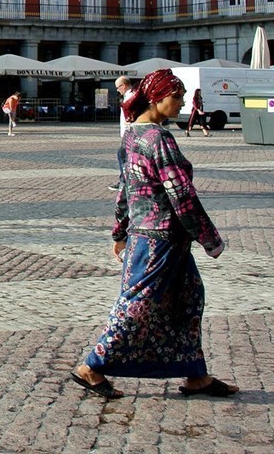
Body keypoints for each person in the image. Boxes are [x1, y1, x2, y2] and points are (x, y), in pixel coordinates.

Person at [71, 69, 236, 401]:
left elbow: (124, 190)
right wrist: (210, 239)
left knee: (188, 300)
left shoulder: (132, 135)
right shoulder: (158, 139)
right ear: (158, 98)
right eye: (177, 97)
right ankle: (91, 366)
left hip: (148, 236)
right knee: (138, 305)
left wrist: (119, 232)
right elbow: (181, 195)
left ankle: (195, 375)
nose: (182, 102)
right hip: (160, 239)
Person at [113, 76, 134, 190]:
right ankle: (124, 180)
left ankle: (124, 181)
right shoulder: (128, 96)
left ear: (123, 86)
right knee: (124, 156)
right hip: (128, 133)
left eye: (118, 87)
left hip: (129, 133)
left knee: (122, 155)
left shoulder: (130, 97)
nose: (117, 90)